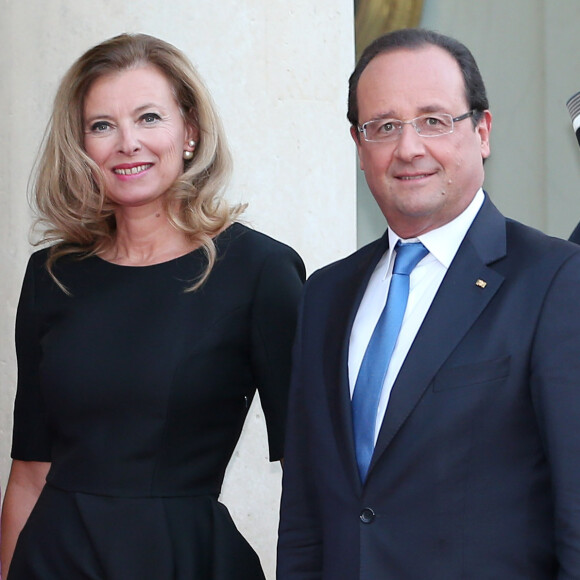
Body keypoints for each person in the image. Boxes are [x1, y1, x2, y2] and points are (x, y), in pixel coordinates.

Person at [277, 28, 580, 579]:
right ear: (358, 145)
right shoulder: (325, 294)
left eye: (434, 120)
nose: (408, 148)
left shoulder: (556, 280)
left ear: (482, 131)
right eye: (384, 126)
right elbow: (305, 509)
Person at [1, 33, 305, 579]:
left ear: (189, 130)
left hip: (181, 561)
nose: (126, 143)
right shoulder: (52, 275)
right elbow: (29, 469)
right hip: (51, 561)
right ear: (81, 145)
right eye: (102, 125)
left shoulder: (261, 271)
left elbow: (308, 470)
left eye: (148, 118)